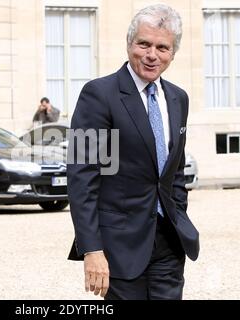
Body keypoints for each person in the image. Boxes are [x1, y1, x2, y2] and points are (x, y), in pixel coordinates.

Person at [67, 4, 199, 300]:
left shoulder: (179, 99)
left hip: (169, 244)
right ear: (130, 44)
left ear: (172, 53)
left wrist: (178, 214)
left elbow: (174, 172)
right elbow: (82, 177)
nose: (152, 55)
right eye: (144, 44)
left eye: (162, 47)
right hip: (119, 248)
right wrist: (92, 249)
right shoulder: (99, 95)